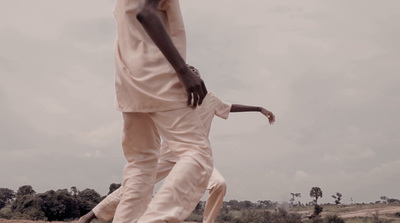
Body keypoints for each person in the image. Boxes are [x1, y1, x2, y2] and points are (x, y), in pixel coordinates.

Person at [78, 66, 275, 223]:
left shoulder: (210, 99)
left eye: (196, 71)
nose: (194, 72)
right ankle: (90, 216)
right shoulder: (173, 100)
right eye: (189, 72)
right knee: (137, 185)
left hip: (196, 157)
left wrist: (259, 108)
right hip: (169, 152)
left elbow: (230, 107)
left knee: (219, 184)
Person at [112, 0, 213, 222]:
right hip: (159, 76)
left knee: (142, 163)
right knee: (197, 153)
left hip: (129, 82)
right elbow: (146, 13)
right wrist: (183, 70)